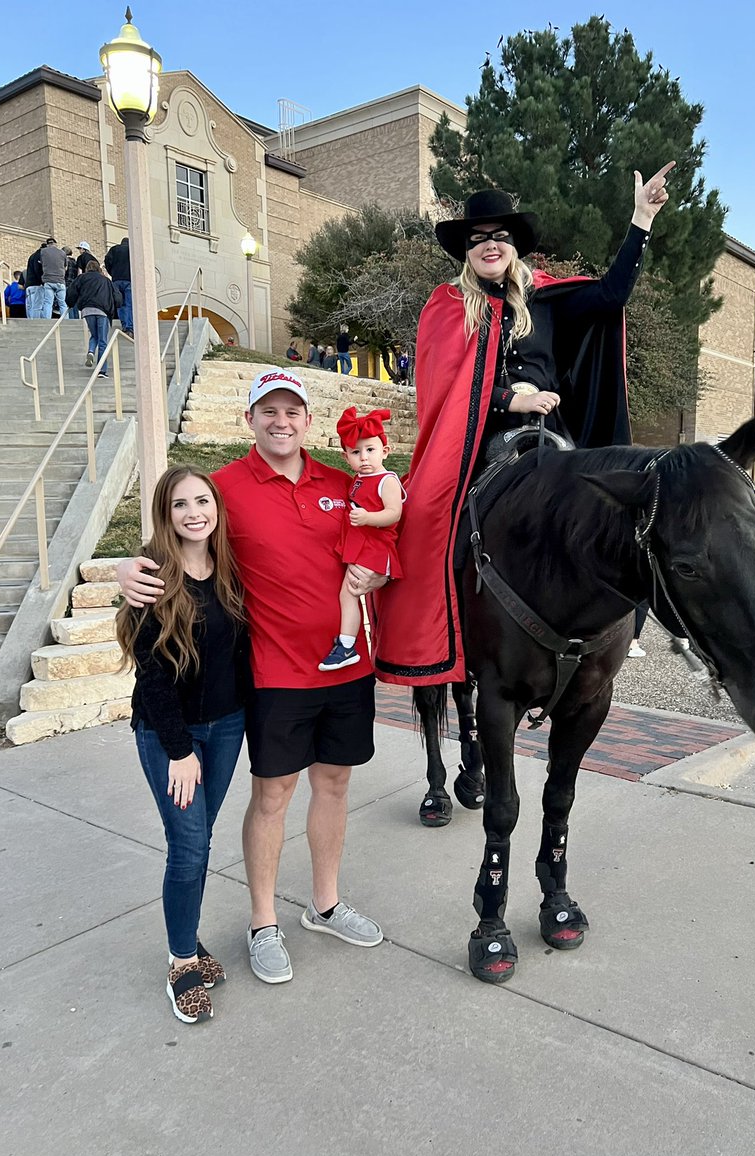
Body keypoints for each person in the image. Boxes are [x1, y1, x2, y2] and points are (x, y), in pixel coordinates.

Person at [117, 369, 386, 988]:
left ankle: (325, 905)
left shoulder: (343, 484)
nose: (281, 421)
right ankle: (263, 923)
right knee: (273, 796)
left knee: (335, 784)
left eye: (292, 411)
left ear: (308, 421)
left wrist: (380, 572)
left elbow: (390, 537)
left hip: (347, 667)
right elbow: (177, 537)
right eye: (269, 411)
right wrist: (127, 571)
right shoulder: (225, 489)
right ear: (250, 420)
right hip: (274, 674)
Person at [373, 166, 675, 687]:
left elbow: (611, 296)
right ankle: (444, 637)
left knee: (615, 514)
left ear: (514, 245)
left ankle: (620, 624)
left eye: (499, 236)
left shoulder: (547, 299)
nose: (489, 245)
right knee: (426, 518)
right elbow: (444, 388)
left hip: (551, 435)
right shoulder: (446, 306)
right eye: (477, 239)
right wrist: (512, 400)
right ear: (466, 251)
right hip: (476, 439)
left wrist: (641, 219)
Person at [116, 465, 251, 1023]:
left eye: (202, 501)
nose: (194, 513)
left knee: (200, 839)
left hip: (227, 727)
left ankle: (187, 938)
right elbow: (150, 674)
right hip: (170, 734)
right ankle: (181, 963)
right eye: (180, 504)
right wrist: (179, 751)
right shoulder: (152, 577)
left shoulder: (231, 568)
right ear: (164, 514)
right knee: (189, 847)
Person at [320, 407, 405, 672]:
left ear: (385, 451)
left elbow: (394, 513)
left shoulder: (386, 480)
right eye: (356, 452)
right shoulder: (359, 479)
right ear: (345, 457)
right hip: (360, 544)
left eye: (370, 450)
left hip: (376, 546)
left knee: (349, 593)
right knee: (347, 593)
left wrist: (368, 518)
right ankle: (348, 642)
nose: (364, 457)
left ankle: (347, 646)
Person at [66, 260, 118, 378]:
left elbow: (71, 291)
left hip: (87, 311)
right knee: (103, 341)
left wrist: (70, 303)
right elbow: (117, 296)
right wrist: (117, 306)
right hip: (103, 311)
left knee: (94, 335)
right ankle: (102, 370)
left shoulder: (81, 278)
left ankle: (90, 352)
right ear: (98, 268)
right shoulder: (105, 280)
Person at [105, 236, 133, 335]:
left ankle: (124, 324)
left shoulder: (114, 249)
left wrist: (112, 272)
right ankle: (129, 327)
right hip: (129, 279)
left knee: (120, 304)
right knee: (129, 304)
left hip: (116, 280)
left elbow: (107, 261)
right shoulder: (131, 250)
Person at [38, 237, 68, 319]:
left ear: (47, 244)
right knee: (62, 303)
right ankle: (65, 320)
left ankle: (47, 321)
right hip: (60, 281)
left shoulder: (43, 251)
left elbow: (41, 263)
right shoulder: (62, 253)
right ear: (55, 244)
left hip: (48, 280)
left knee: (48, 302)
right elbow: (65, 267)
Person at [25, 242, 45, 318]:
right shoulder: (40, 255)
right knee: (37, 306)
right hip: (36, 285)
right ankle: (36, 322)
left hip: (29, 285)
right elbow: (38, 269)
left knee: (30, 307)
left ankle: (30, 322)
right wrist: (42, 281)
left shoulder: (32, 256)